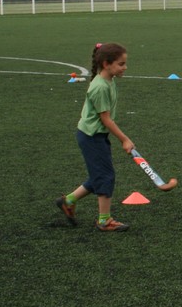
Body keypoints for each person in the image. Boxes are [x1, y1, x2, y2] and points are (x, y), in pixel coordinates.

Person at [56, 42, 134, 232]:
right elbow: (106, 119)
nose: (125, 67)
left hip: (95, 135)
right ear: (107, 64)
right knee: (105, 176)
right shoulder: (99, 87)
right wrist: (124, 139)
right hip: (91, 137)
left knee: (99, 174)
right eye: (121, 64)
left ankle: (68, 201)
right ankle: (104, 220)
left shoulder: (109, 80)